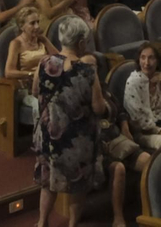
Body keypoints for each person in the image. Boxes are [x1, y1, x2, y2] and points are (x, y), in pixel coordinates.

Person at [32, 15, 105, 227]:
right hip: (77, 137)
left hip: (49, 132)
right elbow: (98, 107)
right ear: (81, 43)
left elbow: (36, 91)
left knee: (48, 181)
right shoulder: (87, 71)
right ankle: (72, 224)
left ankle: (42, 222)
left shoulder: (44, 62)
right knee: (77, 184)